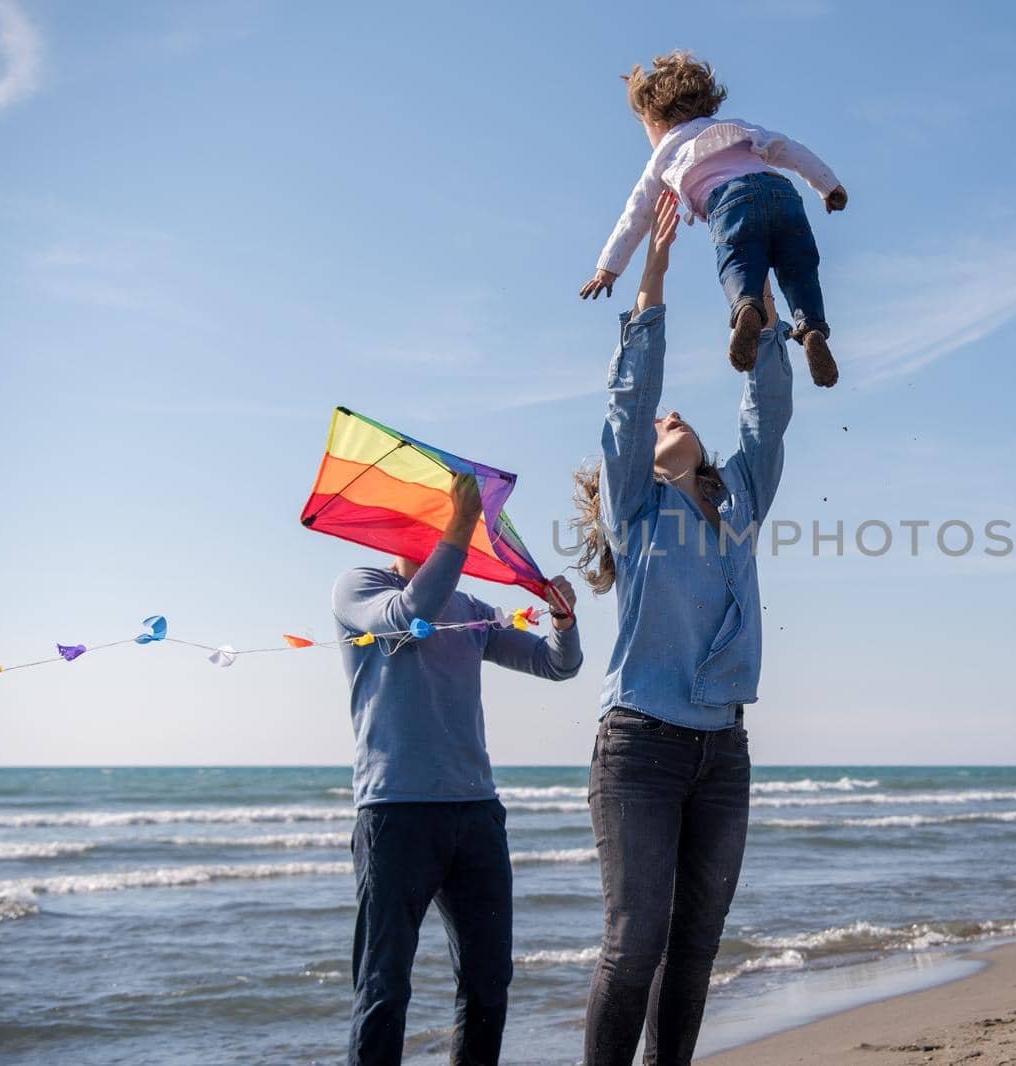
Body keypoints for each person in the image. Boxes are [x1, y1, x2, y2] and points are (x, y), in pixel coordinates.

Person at [571, 189, 793, 1065]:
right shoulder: (636, 508)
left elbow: (766, 408)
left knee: (696, 952)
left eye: (680, 416)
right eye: (664, 420)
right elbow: (631, 400)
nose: (671, 417)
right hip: (641, 748)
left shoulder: (739, 497)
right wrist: (653, 275)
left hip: (723, 753)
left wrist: (759, 303)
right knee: (634, 948)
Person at [332, 472, 583, 1066]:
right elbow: (408, 613)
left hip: (476, 816)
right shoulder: (359, 586)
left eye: (441, 524)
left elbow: (556, 666)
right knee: (383, 987)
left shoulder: (472, 612)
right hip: (395, 815)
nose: (437, 534)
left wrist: (564, 624)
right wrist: (461, 523)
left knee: (488, 982)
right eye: (427, 525)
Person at [579, 50, 847, 389]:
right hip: (782, 193)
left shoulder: (663, 156)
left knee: (738, 260)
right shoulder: (736, 127)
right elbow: (787, 148)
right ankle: (811, 329)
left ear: (656, 122)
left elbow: (636, 214)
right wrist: (829, 185)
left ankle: (746, 309)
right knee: (800, 267)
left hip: (730, 201)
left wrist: (608, 268)